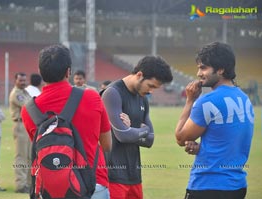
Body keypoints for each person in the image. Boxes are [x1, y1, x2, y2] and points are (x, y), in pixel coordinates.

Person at [21, 44, 112, 199]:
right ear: (69, 71)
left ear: (40, 72)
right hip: (92, 184)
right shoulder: (92, 97)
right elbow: (107, 144)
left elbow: (44, 147)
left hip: (50, 189)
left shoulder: (29, 110)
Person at [175, 42, 254, 199]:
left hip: (207, 185)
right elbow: (228, 142)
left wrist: (190, 101)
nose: (198, 73)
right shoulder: (244, 99)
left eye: (203, 68)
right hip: (237, 186)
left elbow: (180, 137)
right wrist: (202, 148)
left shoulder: (208, 101)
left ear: (220, 69)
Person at [101, 55, 173, 199]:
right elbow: (123, 135)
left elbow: (150, 140)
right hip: (113, 177)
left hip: (134, 176)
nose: (151, 91)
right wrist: (143, 130)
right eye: (151, 85)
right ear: (139, 75)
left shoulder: (143, 99)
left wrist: (132, 130)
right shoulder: (112, 93)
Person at [9, 72, 32, 193]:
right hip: (20, 124)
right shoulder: (16, 93)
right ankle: (20, 185)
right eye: (20, 81)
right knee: (21, 156)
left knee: (29, 156)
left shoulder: (25, 92)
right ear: (15, 81)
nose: (23, 83)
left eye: (24, 80)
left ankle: (28, 184)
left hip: (27, 125)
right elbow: (28, 105)